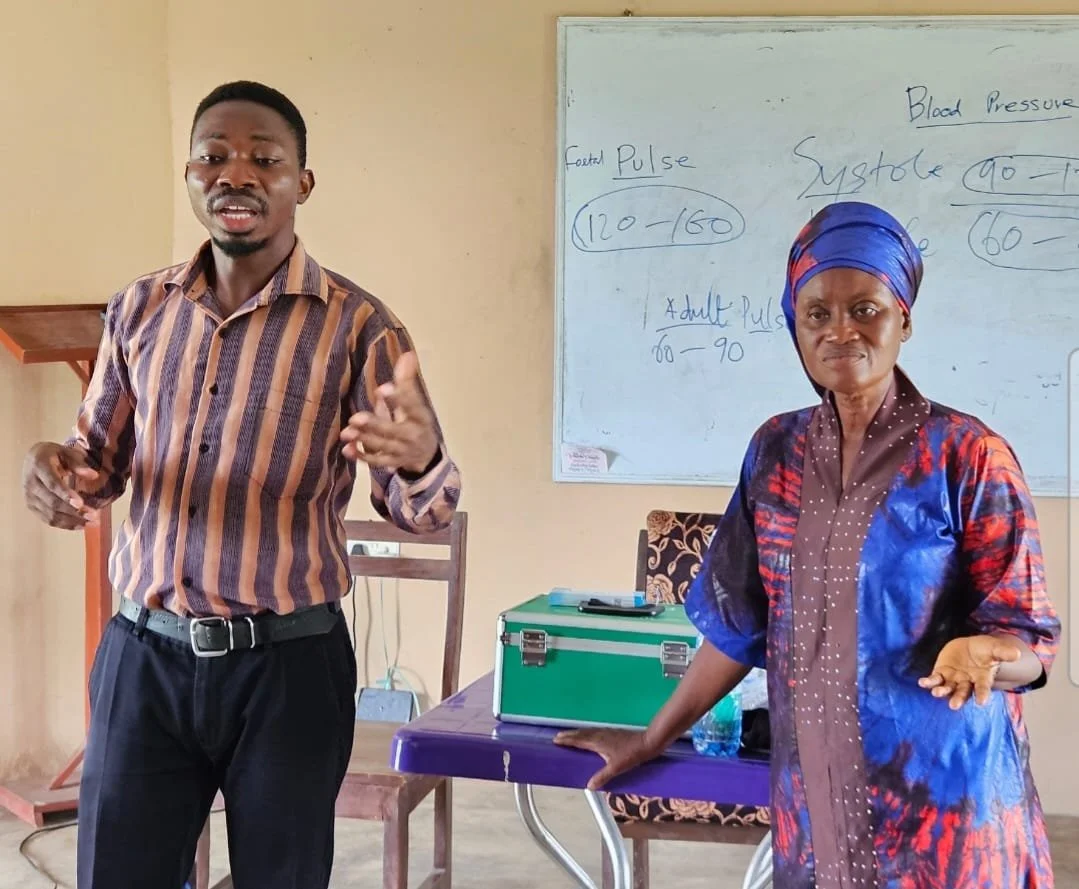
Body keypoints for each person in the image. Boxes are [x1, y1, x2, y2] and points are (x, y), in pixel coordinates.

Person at [20, 80, 460, 889]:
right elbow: (97, 464)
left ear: (302, 182)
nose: (236, 174)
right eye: (214, 156)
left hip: (287, 667)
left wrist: (421, 458)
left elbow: (423, 511)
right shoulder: (138, 309)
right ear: (190, 174)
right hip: (144, 657)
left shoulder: (358, 326)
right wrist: (52, 468)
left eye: (265, 159)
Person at [555, 201, 1060, 888]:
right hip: (814, 807)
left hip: (946, 814)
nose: (840, 330)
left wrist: (989, 654)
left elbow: (1028, 643)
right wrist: (652, 736)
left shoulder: (968, 455)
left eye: (865, 309)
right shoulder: (775, 452)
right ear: (794, 327)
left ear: (904, 318)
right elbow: (739, 625)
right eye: (816, 312)